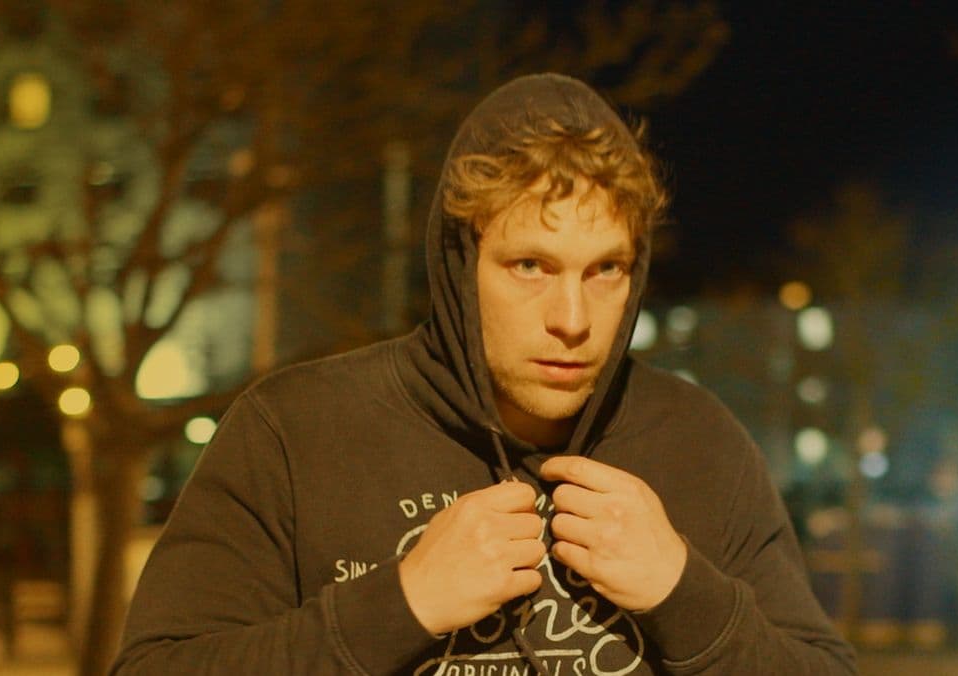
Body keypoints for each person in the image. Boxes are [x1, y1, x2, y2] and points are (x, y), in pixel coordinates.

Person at [113, 73, 856, 675]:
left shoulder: (698, 441)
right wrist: (399, 604)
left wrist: (685, 595)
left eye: (606, 269)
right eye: (530, 265)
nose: (574, 318)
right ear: (461, 264)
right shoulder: (296, 430)